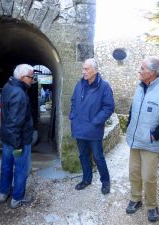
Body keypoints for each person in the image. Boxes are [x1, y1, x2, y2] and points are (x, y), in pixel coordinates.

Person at [125, 56, 159, 222]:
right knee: (134, 172)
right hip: (135, 140)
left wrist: (155, 135)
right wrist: (128, 126)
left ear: (153, 72)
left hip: (151, 142)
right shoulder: (139, 88)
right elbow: (133, 110)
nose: (139, 71)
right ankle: (135, 199)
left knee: (148, 177)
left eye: (142, 69)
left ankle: (152, 206)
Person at [69, 58, 115, 195]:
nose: (83, 71)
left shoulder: (104, 86)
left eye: (86, 69)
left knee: (98, 156)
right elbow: (73, 100)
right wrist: (73, 115)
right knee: (83, 155)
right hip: (79, 127)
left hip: (94, 129)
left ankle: (105, 181)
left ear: (95, 70)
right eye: (83, 68)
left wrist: (96, 121)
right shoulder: (79, 84)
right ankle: (86, 179)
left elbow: (109, 107)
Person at [0, 64, 35, 209]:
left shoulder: (7, 87)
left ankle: (3, 193)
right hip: (18, 140)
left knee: (6, 166)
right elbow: (15, 123)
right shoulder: (20, 94)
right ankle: (17, 198)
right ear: (22, 77)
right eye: (31, 77)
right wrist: (18, 146)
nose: (33, 80)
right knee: (21, 169)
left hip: (7, 137)